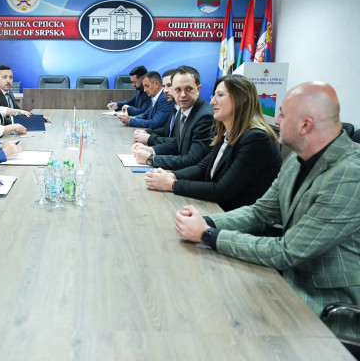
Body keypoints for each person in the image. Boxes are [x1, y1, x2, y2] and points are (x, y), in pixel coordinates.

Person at [174, 81, 360, 339]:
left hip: (326, 306)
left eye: (282, 114)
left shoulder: (349, 175)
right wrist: (206, 222)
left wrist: (208, 235)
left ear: (305, 125)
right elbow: (260, 212)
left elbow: (287, 252)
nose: (276, 120)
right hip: (285, 280)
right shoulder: (298, 158)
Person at [144, 74, 282, 211]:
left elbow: (221, 190)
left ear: (242, 100)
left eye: (220, 95)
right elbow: (203, 167)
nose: (212, 102)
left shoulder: (257, 139)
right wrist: (172, 175)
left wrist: (172, 184)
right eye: (214, 95)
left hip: (237, 216)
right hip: (218, 208)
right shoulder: (227, 131)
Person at [132, 65, 213, 170]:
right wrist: (151, 150)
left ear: (198, 89)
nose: (182, 95)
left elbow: (193, 160)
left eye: (188, 89)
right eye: (178, 89)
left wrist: (151, 159)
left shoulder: (205, 117)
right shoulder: (183, 107)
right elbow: (177, 143)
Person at [133, 68, 178, 144]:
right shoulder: (175, 107)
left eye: (169, 85)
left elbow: (177, 143)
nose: (165, 90)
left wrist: (150, 139)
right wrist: (147, 132)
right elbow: (166, 129)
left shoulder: (164, 99)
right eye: (164, 86)